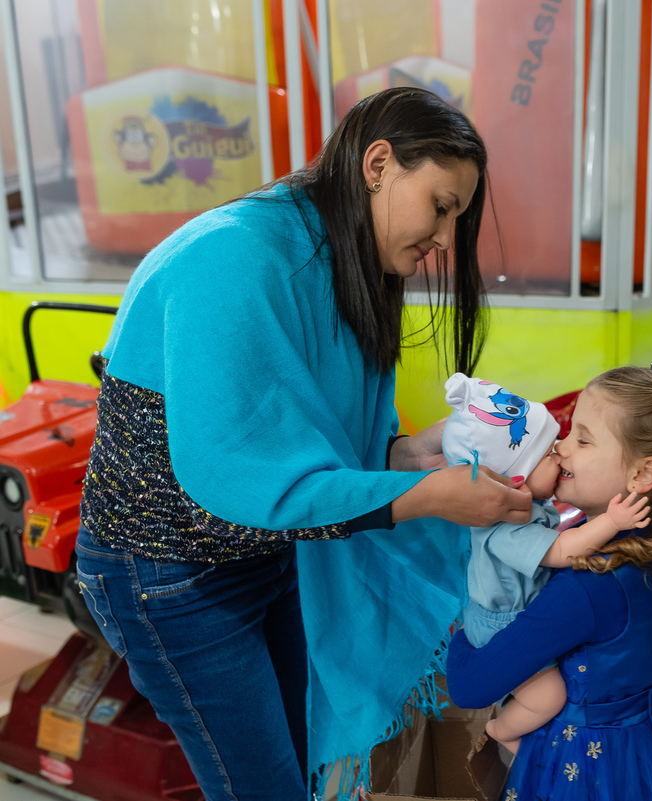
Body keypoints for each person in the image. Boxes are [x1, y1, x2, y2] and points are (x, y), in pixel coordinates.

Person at [73, 87, 532, 800]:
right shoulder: (233, 261)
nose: (445, 238)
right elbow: (247, 481)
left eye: (457, 218)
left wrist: (408, 455)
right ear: (378, 164)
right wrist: (428, 493)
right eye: (441, 205)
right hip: (167, 574)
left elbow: (309, 448)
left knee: (298, 755)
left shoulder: (345, 260)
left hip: (264, 550)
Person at [447, 353, 652, 801]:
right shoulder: (650, 543)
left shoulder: (585, 586)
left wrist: (465, 631)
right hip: (643, 751)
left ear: (643, 474)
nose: (561, 446)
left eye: (583, 440)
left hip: (583, 765)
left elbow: (471, 687)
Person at [440, 372, 651, 755]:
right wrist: (611, 522)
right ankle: (502, 730)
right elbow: (562, 551)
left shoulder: (578, 577)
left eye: (578, 439)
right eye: (549, 451)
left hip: (520, 619)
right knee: (547, 696)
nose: (562, 451)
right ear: (516, 481)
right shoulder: (506, 526)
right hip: (498, 620)